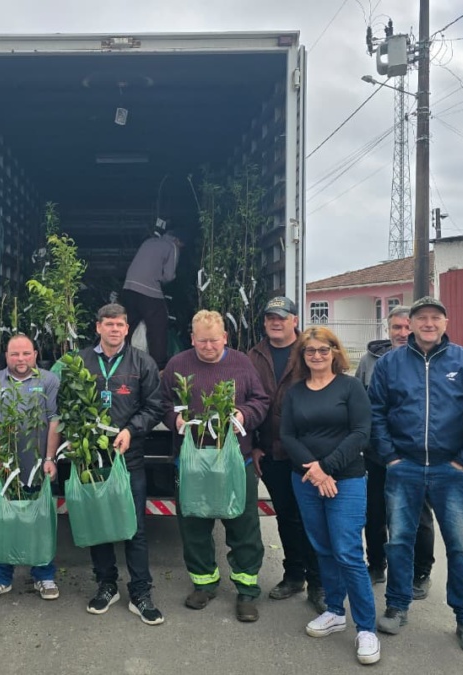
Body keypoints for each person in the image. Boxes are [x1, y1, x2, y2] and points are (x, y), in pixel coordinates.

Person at [368, 296, 463, 655]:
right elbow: (376, 410)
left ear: (445, 322)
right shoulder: (391, 364)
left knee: (462, 548)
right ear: (412, 322)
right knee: (399, 541)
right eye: (421, 318)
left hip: (450, 470)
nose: (428, 323)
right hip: (403, 468)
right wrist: (390, 457)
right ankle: (397, 605)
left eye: (435, 317)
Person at [161, 310, 270, 622]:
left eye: (214, 340)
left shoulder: (242, 364)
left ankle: (247, 589)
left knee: (243, 522)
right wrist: (174, 420)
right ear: (192, 338)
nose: (208, 346)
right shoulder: (177, 365)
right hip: (193, 460)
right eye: (202, 341)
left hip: (236, 459)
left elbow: (261, 401)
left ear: (225, 337)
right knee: (194, 522)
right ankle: (204, 584)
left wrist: (244, 415)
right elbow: (163, 402)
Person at [280, 326, 379, 665]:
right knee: (322, 547)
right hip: (306, 480)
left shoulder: (350, 387)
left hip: (346, 480)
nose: (318, 356)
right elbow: (288, 436)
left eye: (324, 350)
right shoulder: (295, 392)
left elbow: (361, 433)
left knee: (348, 551)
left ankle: (366, 628)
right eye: (311, 351)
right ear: (302, 357)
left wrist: (327, 468)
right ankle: (335, 612)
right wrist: (314, 469)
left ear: (335, 353)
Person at [76, 304, 167, 625]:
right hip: (92, 458)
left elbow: (155, 406)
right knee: (99, 523)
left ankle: (140, 591)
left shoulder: (142, 362)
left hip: (129, 457)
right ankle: (106, 585)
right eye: (108, 324)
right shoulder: (80, 361)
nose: (114, 329)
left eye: (120, 325)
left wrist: (131, 429)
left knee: (134, 527)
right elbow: (66, 403)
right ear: (97, 327)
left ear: (127, 329)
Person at [246, 296, 325, 613]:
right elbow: (248, 399)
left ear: (295, 319)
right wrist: (254, 444)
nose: (275, 322)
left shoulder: (312, 352)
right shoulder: (254, 355)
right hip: (271, 451)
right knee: (287, 519)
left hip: (307, 453)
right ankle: (294, 576)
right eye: (270, 318)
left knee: (314, 520)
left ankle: (319, 583)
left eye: (281, 317)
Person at [355, 304, 436, 599]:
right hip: (377, 454)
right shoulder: (368, 361)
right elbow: (362, 404)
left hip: (416, 456)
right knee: (375, 515)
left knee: (419, 517)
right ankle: (376, 564)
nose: (402, 333)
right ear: (388, 331)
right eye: (396, 328)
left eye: (406, 327)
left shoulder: (426, 359)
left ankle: (420, 571)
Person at [0, 334, 62, 603]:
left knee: (40, 521)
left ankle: (43, 575)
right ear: (6, 356)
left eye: (26, 354)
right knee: (4, 520)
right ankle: (0, 578)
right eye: (15, 354)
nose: (21, 359)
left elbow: (54, 421)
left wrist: (49, 458)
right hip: (4, 467)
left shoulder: (48, 380)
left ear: (35, 354)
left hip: (36, 465)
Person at [122, 228, 183, 369]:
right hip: (148, 290)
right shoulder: (172, 246)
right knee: (158, 324)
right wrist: (160, 279)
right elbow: (169, 276)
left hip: (128, 287)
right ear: (177, 240)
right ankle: (159, 367)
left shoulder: (149, 241)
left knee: (126, 325)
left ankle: (119, 357)